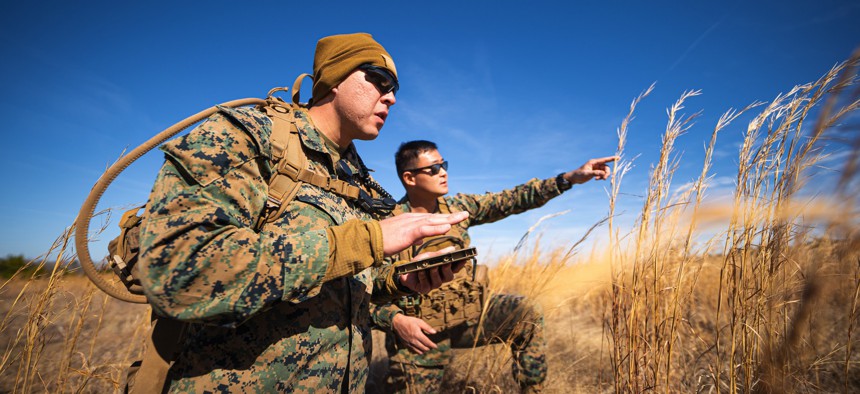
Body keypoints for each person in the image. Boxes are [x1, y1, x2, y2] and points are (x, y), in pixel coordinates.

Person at [130, 33, 469, 393]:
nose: (391, 97)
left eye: (394, 87)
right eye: (379, 80)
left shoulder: (358, 179)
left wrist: (396, 283)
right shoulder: (249, 137)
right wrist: (369, 240)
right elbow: (180, 271)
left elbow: (343, 287)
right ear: (335, 79)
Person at [370, 140, 616, 393]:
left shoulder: (458, 209)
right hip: (420, 335)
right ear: (409, 178)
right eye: (434, 168)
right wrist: (396, 321)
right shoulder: (390, 224)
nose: (443, 172)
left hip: (468, 317)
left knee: (527, 313)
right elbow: (364, 291)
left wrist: (568, 179)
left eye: (444, 165)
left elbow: (511, 199)